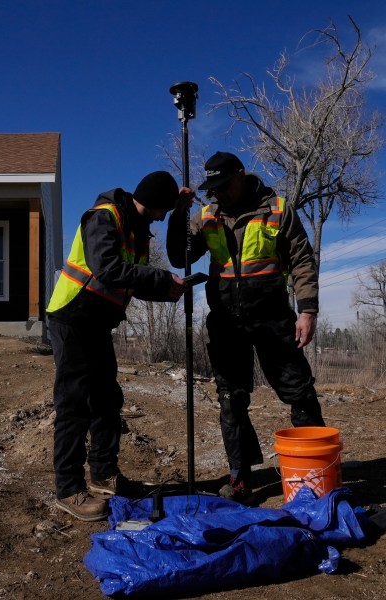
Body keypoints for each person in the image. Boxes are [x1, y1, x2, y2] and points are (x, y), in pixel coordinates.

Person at [166, 151, 325, 505]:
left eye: (223, 185)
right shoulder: (206, 215)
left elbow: (301, 259)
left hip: (273, 319)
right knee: (230, 399)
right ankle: (240, 478)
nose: (217, 193)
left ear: (241, 175)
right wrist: (178, 214)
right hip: (226, 321)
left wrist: (307, 310)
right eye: (212, 188)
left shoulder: (277, 209)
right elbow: (181, 256)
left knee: (300, 393)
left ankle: (315, 472)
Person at [46, 171, 186, 521]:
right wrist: (158, 277)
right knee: (74, 403)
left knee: (107, 400)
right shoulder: (104, 217)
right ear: (151, 202)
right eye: (162, 211)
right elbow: (107, 269)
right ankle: (68, 489)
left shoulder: (136, 230)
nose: (162, 217)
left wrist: (167, 290)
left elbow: (131, 282)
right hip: (72, 316)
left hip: (96, 323)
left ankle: (104, 475)